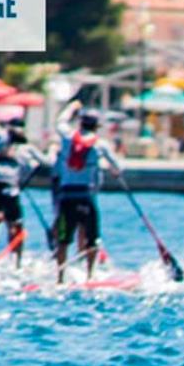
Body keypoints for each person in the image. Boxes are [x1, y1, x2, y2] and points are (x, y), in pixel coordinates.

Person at [54, 101, 121, 283]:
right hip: (86, 197)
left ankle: (60, 278)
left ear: (80, 124)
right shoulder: (100, 144)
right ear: (96, 127)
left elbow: (60, 122)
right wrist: (112, 170)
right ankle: (90, 276)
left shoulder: (68, 138)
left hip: (66, 197)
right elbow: (118, 166)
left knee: (64, 239)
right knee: (92, 238)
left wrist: (71, 107)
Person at [0, 122, 50, 265]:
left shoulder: (1, 147)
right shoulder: (27, 149)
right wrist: (52, 149)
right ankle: (17, 262)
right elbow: (47, 162)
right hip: (9, 187)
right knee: (16, 225)